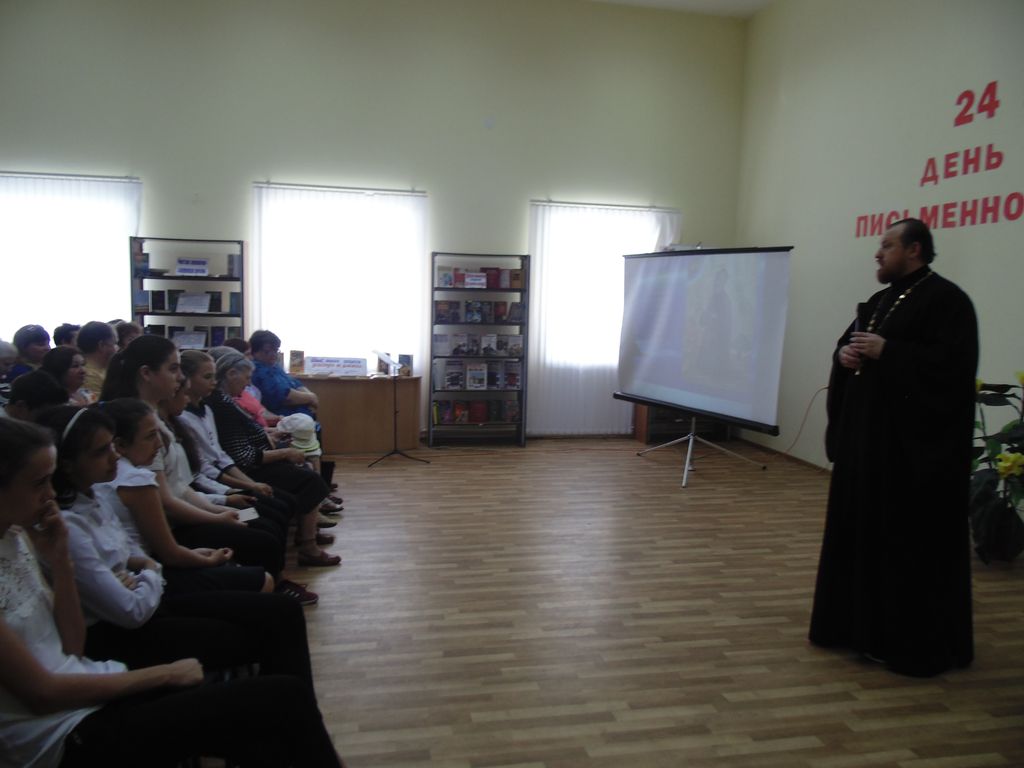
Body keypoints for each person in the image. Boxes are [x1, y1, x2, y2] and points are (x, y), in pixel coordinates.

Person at [0, 418, 344, 767]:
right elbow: (44, 693)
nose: (50, 494)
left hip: (94, 679)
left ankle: (297, 733)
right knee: (281, 696)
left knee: (276, 666)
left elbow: (71, 648)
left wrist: (61, 561)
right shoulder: (80, 512)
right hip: (62, 733)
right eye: (39, 483)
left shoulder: (21, 537)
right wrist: (165, 672)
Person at [809, 218, 977, 677]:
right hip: (866, 450)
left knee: (903, 548)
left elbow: (953, 370)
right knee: (860, 539)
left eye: (887, 245)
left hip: (909, 459)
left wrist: (890, 352)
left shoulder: (947, 301)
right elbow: (849, 346)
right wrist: (844, 355)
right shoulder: (882, 300)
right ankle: (855, 630)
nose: (878, 253)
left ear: (914, 249)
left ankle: (902, 642)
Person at [207, 350, 340, 567]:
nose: (248, 384)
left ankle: (308, 532)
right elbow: (242, 456)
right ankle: (308, 547)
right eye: (246, 378)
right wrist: (283, 454)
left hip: (243, 469)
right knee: (308, 481)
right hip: (248, 471)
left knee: (303, 471)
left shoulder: (225, 401)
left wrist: (270, 436)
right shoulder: (221, 405)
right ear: (231, 374)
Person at [76, 321, 118, 397]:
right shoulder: (89, 376)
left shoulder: (103, 370)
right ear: (101, 345)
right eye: (114, 344)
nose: (117, 349)